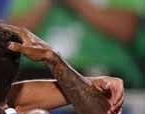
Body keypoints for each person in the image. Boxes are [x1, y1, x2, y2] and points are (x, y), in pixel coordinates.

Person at [8, 0, 144, 88]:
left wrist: (77, 3)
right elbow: (11, 37)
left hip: (99, 73)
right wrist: (44, 4)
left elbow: (126, 29)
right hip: (37, 73)